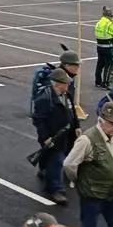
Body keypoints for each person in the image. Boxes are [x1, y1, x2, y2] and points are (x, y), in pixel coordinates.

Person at [31, 68, 80, 205]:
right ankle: (56, 190)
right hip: (52, 136)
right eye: (65, 83)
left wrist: (77, 127)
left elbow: (73, 112)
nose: (68, 85)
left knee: (52, 158)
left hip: (65, 134)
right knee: (58, 161)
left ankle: (44, 170)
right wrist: (45, 137)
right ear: (57, 84)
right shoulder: (44, 98)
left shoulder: (66, 95)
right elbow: (39, 120)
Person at [93, 6, 113, 88]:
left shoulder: (99, 23)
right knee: (108, 65)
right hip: (108, 46)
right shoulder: (109, 23)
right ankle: (105, 83)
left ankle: (97, 81)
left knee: (100, 64)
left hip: (99, 46)